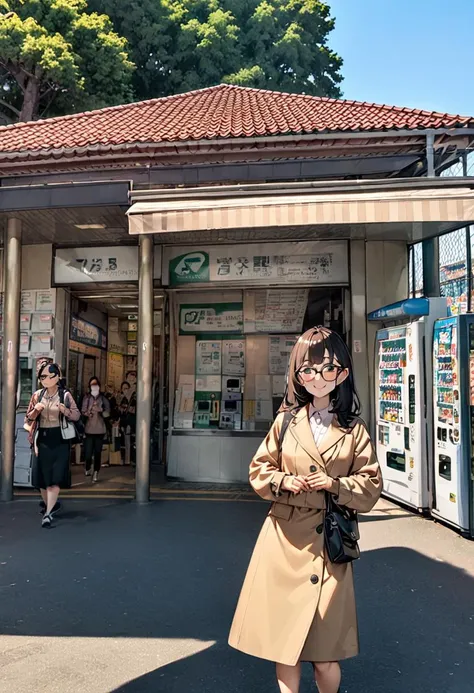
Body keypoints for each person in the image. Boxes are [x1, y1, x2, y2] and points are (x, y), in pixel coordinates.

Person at [228, 327, 382, 693]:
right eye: (307, 370)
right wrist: (283, 481)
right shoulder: (285, 422)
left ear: (342, 373)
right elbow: (258, 470)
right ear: (297, 375)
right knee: (286, 646)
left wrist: (335, 485)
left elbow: (371, 486)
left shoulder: (354, 429)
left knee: (326, 655)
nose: (317, 378)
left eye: (327, 369)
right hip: (283, 542)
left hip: (330, 545)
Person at [25, 361, 81, 529]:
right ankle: (52, 505)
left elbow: (77, 415)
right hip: (42, 439)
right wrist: (36, 410)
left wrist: (65, 410)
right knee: (42, 479)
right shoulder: (37, 395)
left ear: (58, 376)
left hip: (60, 438)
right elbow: (28, 419)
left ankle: (48, 513)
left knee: (55, 478)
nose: (47, 379)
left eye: (51, 376)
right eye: (43, 377)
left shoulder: (65, 395)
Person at [81, 377, 110, 483]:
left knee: (97, 453)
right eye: (92, 384)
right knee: (88, 453)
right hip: (88, 430)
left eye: (96, 384)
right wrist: (88, 412)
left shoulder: (103, 398)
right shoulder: (87, 398)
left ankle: (96, 472)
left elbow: (108, 413)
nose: (94, 386)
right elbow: (82, 411)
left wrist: (100, 410)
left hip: (100, 430)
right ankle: (87, 467)